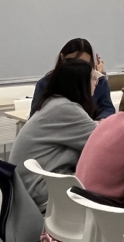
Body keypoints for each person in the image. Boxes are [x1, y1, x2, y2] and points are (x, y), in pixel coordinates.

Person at [12, 58, 99, 208]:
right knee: (106, 178)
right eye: (93, 78)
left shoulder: (53, 102)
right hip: (39, 189)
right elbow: (101, 140)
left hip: (27, 185)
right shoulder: (65, 108)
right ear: (79, 83)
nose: (97, 83)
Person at [30, 38, 114, 120]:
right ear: (62, 58)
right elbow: (36, 114)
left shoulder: (99, 82)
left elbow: (107, 109)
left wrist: (102, 119)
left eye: (84, 64)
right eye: (73, 62)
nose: (78, 68)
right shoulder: (45, 83)